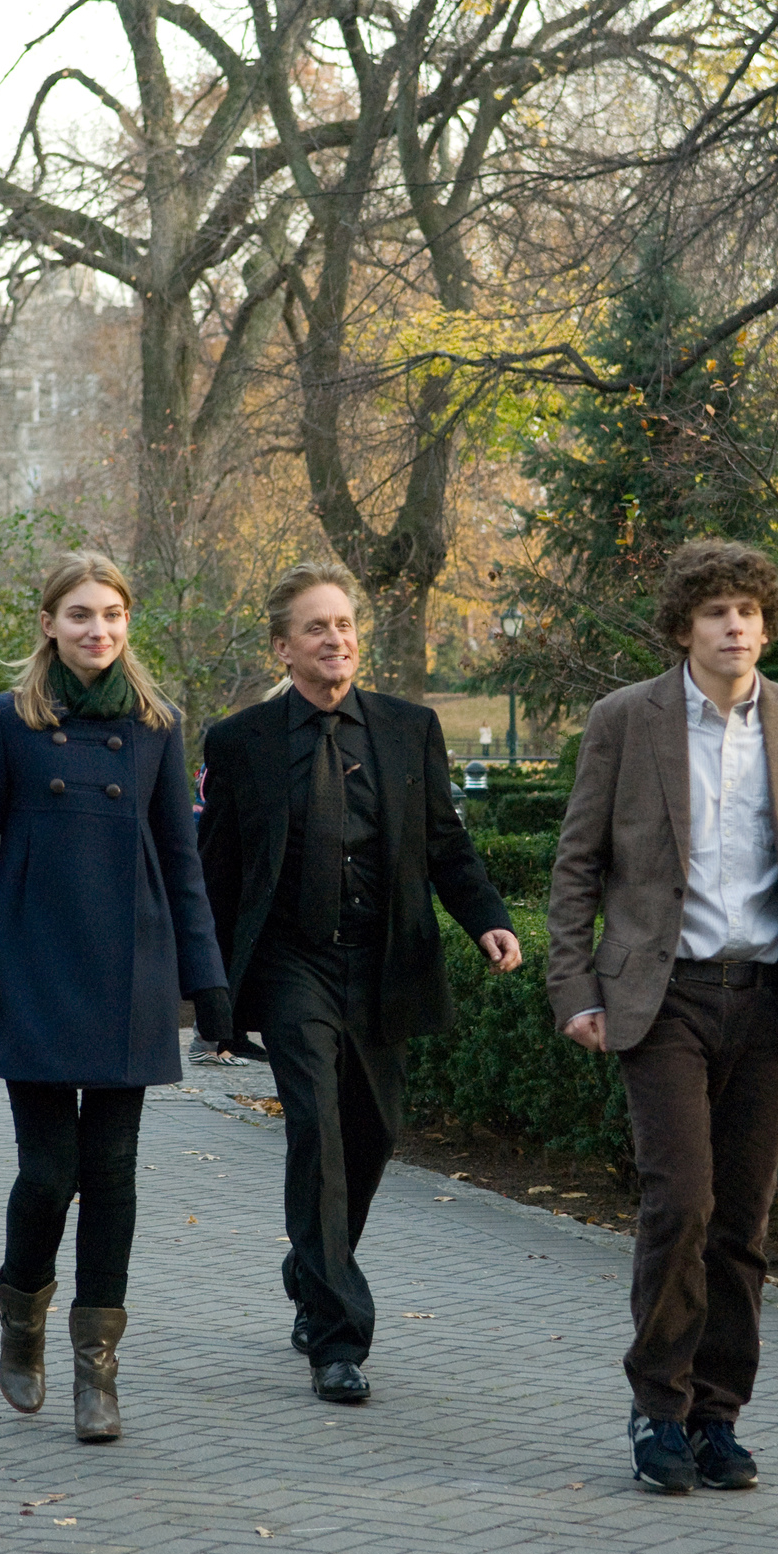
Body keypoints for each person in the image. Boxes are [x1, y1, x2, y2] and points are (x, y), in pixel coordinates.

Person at [547, 540, 778, 1496]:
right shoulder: (627, 719)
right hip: (663, 999)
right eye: (716, 612)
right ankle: (657, 1408)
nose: (735, 626)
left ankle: (717, 1418)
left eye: (748, 612)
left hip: (769, 998)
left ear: (766, 626)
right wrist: (575, 988)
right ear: (684, 627)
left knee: (741, 1223)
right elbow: (578, 864)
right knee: (681, 1205)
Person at [198, 562, 522, 1404]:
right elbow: (219, 871)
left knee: (372, 1136)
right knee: (316, 1132)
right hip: (290, 965)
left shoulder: (410, 729)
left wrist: (487, 916)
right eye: (316, 627)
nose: (335, 639)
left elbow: (446, 844)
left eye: (343, 625)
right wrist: (208, 990)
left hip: (382, 963)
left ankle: (314, 1264)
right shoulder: (240, 742)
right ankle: (338, 1339)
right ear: (283, 646)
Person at [0, 553, 229, 1442]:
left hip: (129, 969)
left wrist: (206, 981)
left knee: (112, 1177)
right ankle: (21, 1316)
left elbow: (182, 860)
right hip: (34, 961)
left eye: (110, 614)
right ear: (49, 625)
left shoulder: (156, 724)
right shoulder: (10, 721)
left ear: (127, 623)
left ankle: (97, 1372)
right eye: (78, 615)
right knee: (48, 1173)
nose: (96, 629)